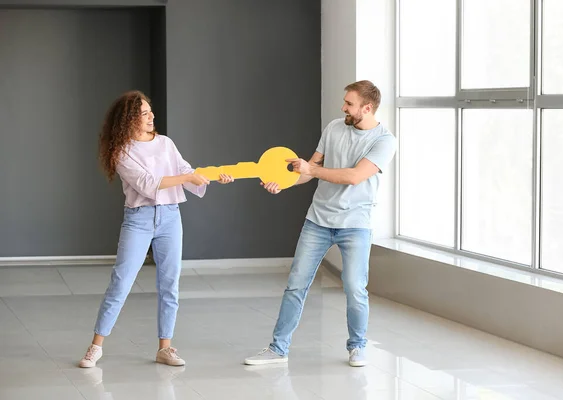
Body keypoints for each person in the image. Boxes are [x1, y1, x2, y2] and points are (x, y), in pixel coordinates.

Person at [244, 80, 396, 367]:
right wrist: (285, 183)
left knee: (354, 287)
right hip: (318, 220)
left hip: (356, 224)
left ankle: (358, 346)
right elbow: (308, 171)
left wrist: (311, 168)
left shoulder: (384, 140)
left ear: (367, 108)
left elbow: (353, 176)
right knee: (295, 285)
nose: (343, 108)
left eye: (349, 104)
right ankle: (278, 349)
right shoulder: (335, 127)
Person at [79, 90, 233, 368]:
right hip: (139, 219)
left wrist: (211, 176)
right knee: (121, 281)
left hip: (170, 217)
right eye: (144, 113)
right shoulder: (122, 151)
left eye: (151, 111)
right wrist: (187, 176)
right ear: (129, 119)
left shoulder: (165, 143)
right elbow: (149, 183)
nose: (151, 116)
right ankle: (95, 346)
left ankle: (165, 348)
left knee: (169, 283)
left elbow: (186, 171)